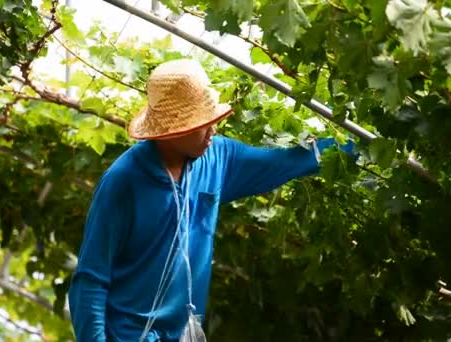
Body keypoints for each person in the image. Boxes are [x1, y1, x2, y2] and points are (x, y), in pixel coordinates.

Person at [68, 59, 354, 341]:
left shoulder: (218, 158)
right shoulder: (124, 181)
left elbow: (281, 163)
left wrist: (356, 147)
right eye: (202, 124)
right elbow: (91, 279)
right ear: (172, 130)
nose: (213, 130)